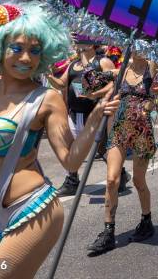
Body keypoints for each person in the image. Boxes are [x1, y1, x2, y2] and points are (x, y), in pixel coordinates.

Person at [0, 2, 119, 278]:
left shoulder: (47, 99)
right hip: (2, 214)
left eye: (35, 51)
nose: (26, 58)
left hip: (36, 210)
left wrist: (94, 119)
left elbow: (71, 159)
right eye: (17, 48)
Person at [87, 50, 158, 255]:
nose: (137, 48)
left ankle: (146, 222)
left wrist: (153, 101)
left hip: (142, 131)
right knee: (112, 180)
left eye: (141, 44)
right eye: (133, 43)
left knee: (139, 182)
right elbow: (89, 82)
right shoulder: (120, 70)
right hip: (119, 128)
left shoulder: (152, 66)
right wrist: (85, 63)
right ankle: (108, 232)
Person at [48, 36, 119, 196]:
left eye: (82, 39)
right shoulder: (74, 64)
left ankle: (119, 174)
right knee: (71, 148)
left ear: (92, 43)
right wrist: (49, 76)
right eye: (77, 39)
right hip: (74, 114)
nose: (78, 41)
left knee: (102, 149)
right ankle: (72, 181)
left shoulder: (103, 62)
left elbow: (114, 83)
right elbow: (61, 84)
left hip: (95, 114)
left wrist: (95, 95)